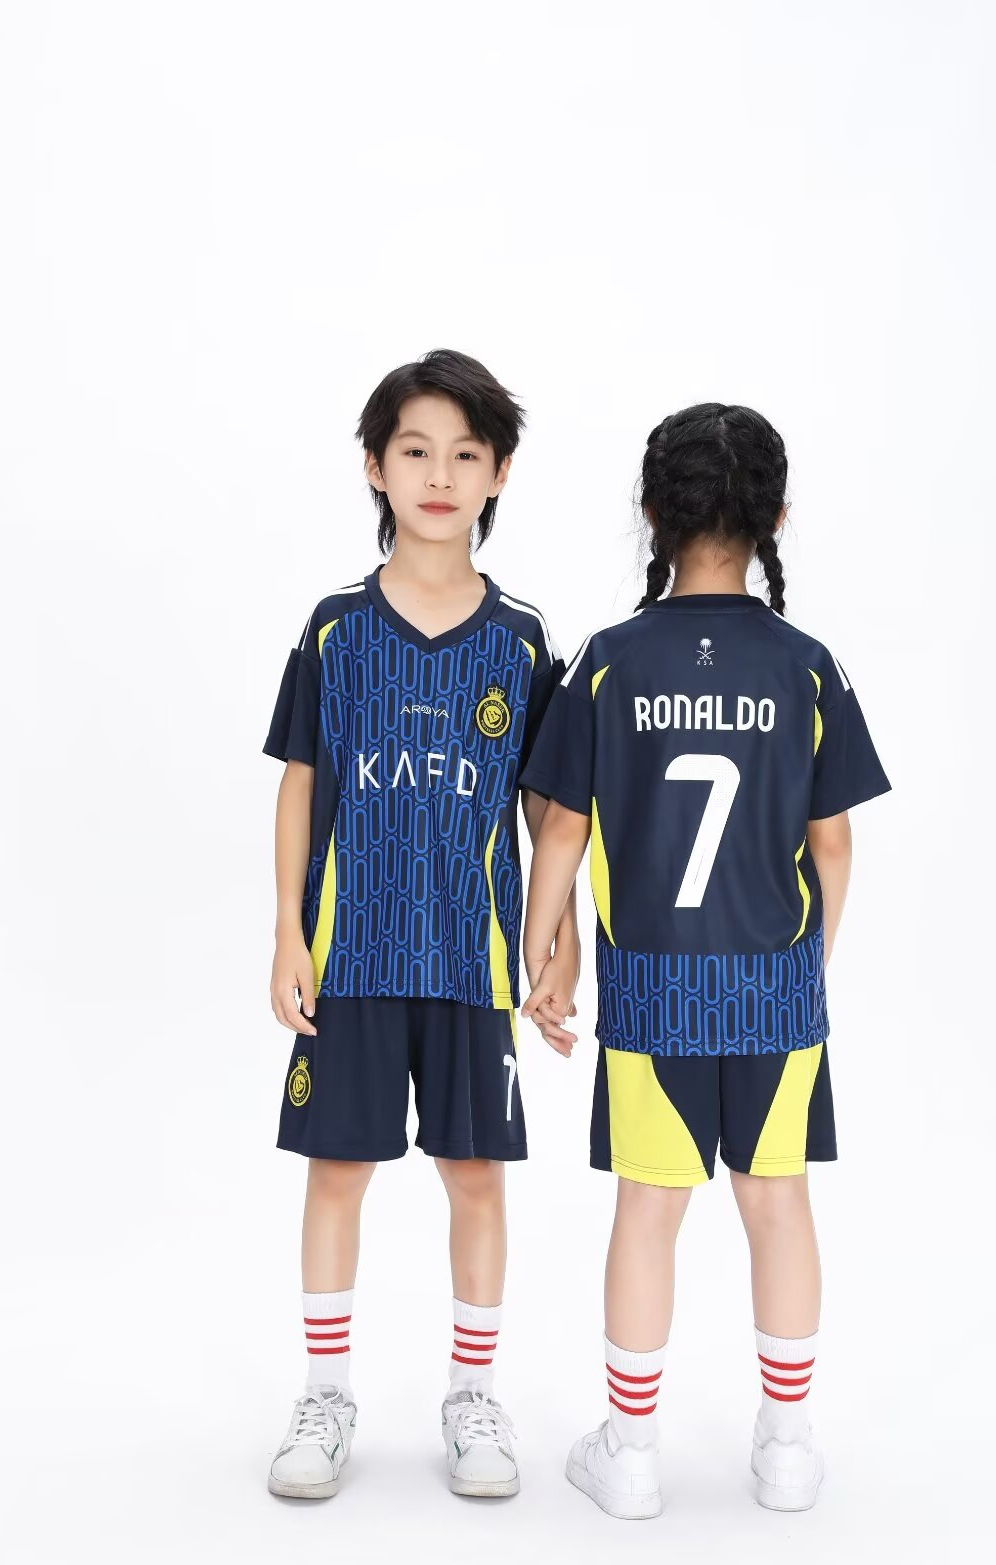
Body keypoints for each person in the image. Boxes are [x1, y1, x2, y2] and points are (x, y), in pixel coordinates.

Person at [519, 403, 890, 1518]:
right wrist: (807, 963)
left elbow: (562, 826)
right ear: (777, 515)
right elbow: (833, 842)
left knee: (649, 1207)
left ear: (651, 513)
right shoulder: (806, 666)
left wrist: (546, 953)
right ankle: (788, 1448)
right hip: (774, 992)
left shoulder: (608, 662)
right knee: (779, 1202)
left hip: (653, 992)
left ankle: (631, 1453)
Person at [262, 349, 575, 1501]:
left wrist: (556, 941)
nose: (439, 475)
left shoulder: (525, 640)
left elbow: (549, 808)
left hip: (470, 958)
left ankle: (472, 1393)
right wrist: (287, 932)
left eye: (465, 454)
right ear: (374, 466)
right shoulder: (335, 628)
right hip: (351, 955)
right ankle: (325, 1392)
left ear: (499, 473)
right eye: (415, 450)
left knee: (476, 1173)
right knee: (337, 1167)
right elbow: (301, 781)